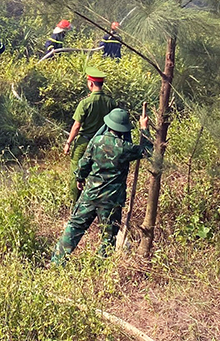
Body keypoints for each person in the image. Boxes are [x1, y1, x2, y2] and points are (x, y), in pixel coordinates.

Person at [52, 107, 152, 264]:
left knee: (74, 227)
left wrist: (80, 178)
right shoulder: (125, 148)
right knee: (108, 235)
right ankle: (100, 266)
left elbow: (83, 164)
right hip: (111, 200)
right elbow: (147, 150)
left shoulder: (96, 141)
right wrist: (144, 128)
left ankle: (57, 262)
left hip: (90, 194)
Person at [63, 67, 117, 208]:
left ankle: (75, 205)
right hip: (103, 143)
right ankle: (96, 204)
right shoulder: (110, 102)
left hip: (84, 142)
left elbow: (76, 126)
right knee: (98, 172)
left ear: (91, 84)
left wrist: (68, 142)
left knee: (77, 172)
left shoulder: (85, 103)